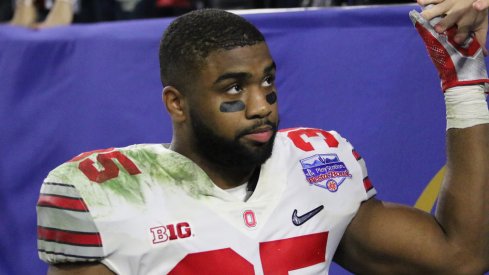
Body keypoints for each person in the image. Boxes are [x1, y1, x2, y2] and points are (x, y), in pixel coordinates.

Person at [36, 7, 489, 275]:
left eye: (267, 81)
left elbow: (460, 258)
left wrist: (464, 84)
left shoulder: (318, 166)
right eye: (233, 88)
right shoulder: (102, 193)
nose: (261, 105)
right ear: (177, 104)